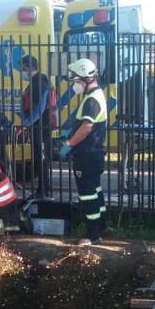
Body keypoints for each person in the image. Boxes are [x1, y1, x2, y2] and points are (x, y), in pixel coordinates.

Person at [60, 58, 108, 246]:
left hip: (86, 155)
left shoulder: (92, 100)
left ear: (86, 79)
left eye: (76, 81)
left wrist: (69, 144)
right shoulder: (95, 96)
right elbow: (84, 124)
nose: (75, 85)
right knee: (95, 191)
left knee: (87, 194)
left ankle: (92, 234)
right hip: (93, 154)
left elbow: (87, 127)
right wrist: (69, 132)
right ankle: (102, 226)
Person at [20, 54, 56, 198]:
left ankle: (43, 191)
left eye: (23, 69)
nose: (22, 72)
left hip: (41, 126)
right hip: (38, 125)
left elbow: (40, 107)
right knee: (39, 158)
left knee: (41, 159)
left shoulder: (40, 83)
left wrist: (28, 123)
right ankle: (43, 189)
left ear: (30, 68)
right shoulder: (36, 81)